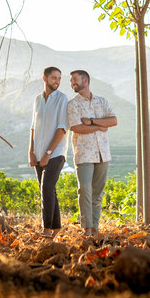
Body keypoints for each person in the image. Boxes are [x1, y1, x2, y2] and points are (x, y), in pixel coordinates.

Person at [66, 69, 117, 236]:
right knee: (85, 190)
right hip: (83, 154)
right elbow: (76, 127)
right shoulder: (73, 104)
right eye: (71, 80)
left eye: (74, 79)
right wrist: (100, 126)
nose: (72, 83)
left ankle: (94, 228)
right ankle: (86, 228)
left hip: (103, 153)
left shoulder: (102, 102)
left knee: (97, 192)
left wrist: (92, 121)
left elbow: (113, 120)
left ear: (85, 80)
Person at [29, 66, 69, 237]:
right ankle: (56, 227)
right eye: (54, 78)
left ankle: (46, 229)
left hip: (56, 153)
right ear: (44, 78)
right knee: (48, 189)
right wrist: (31, 151)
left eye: (59, 78)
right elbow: (33, 127)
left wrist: (48, 153)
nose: (57, 81)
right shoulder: (37, 99)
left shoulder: (62, 99)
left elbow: (62, 128)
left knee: (46, 188)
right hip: (37, 152)